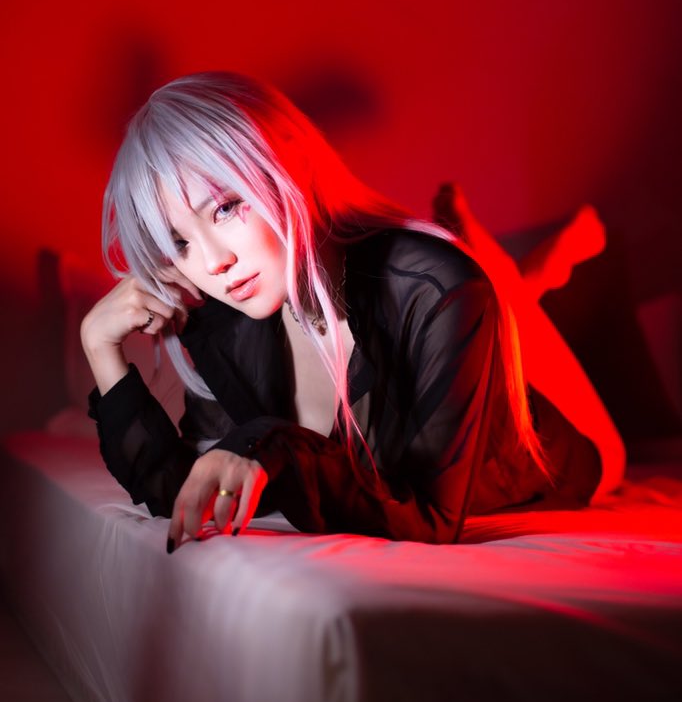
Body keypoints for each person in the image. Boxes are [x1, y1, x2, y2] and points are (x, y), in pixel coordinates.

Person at [82, 72, 624, 548]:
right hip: (439, 301)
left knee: (596, 441)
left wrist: (269, 441)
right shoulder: (229, 321)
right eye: (179, 243)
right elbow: (185, 490)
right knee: (475, 288)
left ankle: (519, 270)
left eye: (226, 207)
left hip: (563, 451)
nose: (214, 262)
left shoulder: (435, 287)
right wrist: (100, 347)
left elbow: (431, 518)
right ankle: (523, 272)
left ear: (287, 165)